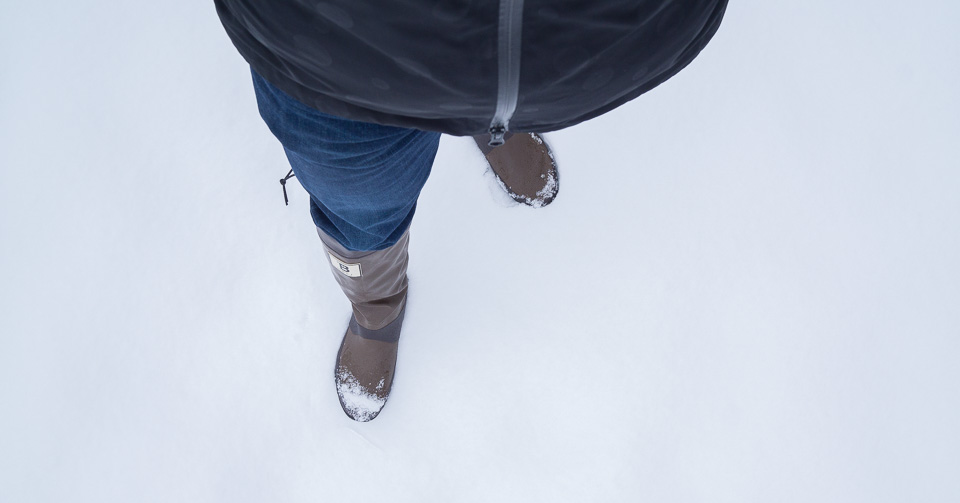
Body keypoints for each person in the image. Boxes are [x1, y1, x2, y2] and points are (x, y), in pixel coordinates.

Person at [214, 0, 728, 421]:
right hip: (338, 53)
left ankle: (485, 113)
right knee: (361, 210)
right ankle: (378, 306)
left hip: (574, 42)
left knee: (495, 79)